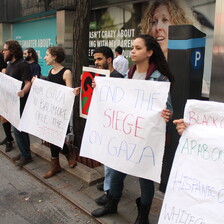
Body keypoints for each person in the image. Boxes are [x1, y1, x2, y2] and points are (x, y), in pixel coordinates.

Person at [91, 35, 174, 223]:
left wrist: (167, 114)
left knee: (145, 178)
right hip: (127, 135)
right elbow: (119, 100)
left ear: (149, 52)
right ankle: (112, 204)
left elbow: (169, 107)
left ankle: (143, 217)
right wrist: (101, 87)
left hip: (146, 139)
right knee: (117, 171)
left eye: (137, 48)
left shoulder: (160, 78)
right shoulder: (129, 73)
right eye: (132, 48)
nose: (133, 52)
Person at [92, 46, 123, 206]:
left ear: (109, 60)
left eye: (99, 59)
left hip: (114, 127)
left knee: (111, 161)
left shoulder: (118, 77)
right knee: (106, 158)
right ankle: (108, 185)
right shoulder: (100, 77)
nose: (96, 62)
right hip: (104, 124)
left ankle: (109, 192)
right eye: (95, 59)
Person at [40, 46, 77, 178]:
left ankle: (66, 155)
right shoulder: (50, 71)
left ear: (54, 57)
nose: (44, 57)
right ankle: (57, 164)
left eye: (47, 55)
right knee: (52, 137)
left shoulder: (66, 72)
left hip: (61, 112)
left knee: (59, 136)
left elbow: (68, 92)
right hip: (51, 111)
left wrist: (73, 92)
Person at [3, 40, 33, 167]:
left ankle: (26, 155)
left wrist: (23, 91)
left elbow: (28, 82)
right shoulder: (10, 65)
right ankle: (24, 152)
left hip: (20, 102)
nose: (3, 51)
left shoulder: (23, 65)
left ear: (13, 51)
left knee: (18, 130)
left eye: (5, 49)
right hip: (11, 102)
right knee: (17, 130)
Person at [0, 52, 14, 152]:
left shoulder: (4, 68)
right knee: (2, 117)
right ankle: (8, 137)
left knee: (4, 116)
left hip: (3, 93)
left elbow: (4, 69)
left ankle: (9, 140)